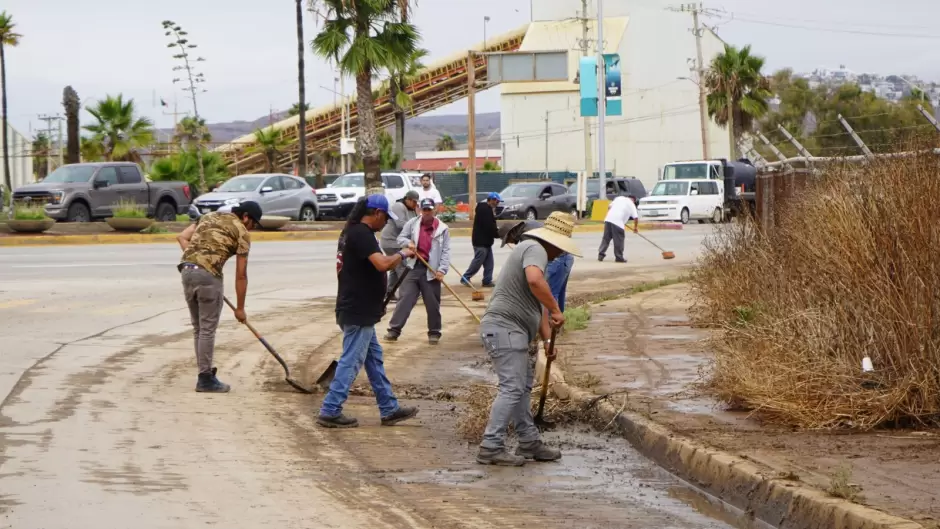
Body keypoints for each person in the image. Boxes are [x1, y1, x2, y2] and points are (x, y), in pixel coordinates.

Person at [477, 211, 582, 466]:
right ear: (554, 242)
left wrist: (547, 342)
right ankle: (491, 446)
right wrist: (557, 309)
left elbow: (539, 305)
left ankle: (528, 442)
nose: (560, 254)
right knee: (513, 387)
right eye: (561, 248)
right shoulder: (535, 248)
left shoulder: (534, 252)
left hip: (512, 331)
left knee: (521, 389)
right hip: (505, 329)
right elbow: (536, 283)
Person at [319, 194, 419, 429]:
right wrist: (403, 254)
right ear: (376, 213)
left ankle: (389, 408)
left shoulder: (351, 232)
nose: (385, 223)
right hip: (358, 309)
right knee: (351, 360)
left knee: (374, 360)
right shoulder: (361, 234)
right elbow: (382, 264)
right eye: (385, 218)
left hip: (359, 307)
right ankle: (330, 409)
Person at [176, 201, 263, 393]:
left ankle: (204, 372)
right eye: (253, 223)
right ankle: (205, 378)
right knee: (207, 328)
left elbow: (182, 237)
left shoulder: (209, 216)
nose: (253, 228)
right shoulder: (242, 232)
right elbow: (241, 275)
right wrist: (240, 309)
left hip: (187, 270)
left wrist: (198, 262)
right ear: (246, 216)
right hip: (207, 276)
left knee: (199, 328)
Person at [385, 198, 451, 345]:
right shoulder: (413, 223)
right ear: (420, 209)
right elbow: (400, 238)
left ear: (435, 210)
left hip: (431, 269)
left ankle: (434, 332)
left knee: (432, 302)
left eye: (429, 210)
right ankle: (394, 330)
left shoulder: (442, 228)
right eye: (424, 209)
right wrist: (408, 243)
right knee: (405, 299)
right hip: (413, 267)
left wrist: (442, 270)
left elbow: (446, 251)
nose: (427, 212)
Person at [500, 218, 574, 312]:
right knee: (559, 293)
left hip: (558, 259)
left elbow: (533, 271)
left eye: (507, 240)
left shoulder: (526, 236)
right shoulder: (528, 224)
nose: (510, 242)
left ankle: (552, 322)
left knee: (548, 294)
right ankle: (558, 321)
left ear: (510, 234)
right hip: (566, 258)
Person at [380, 190, 420, 299]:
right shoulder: (399, 206)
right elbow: (400, 224)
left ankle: (389, 292)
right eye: (414, 202)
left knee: (394, 267)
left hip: (397, 242)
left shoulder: (411, 210)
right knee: (401, 267)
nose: (415, 205)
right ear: (408, 199)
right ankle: (407, 293)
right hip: (390, 241)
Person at [461, 192, 501, 288]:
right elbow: (489, 226)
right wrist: (498, 234)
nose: (498, 203)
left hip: (486, 241)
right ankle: (465, 277)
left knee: (489, 263)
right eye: (497, 201)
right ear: (492, 200)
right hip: (480, 242)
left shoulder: (487, 209)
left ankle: (487, 280)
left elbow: (490, 226)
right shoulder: (485, 210)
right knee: (478, 261)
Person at [598, 195, 638, 263]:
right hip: (618, 222)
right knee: (619, 240)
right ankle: (619, 257)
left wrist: (614, 215)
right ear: (633, 200)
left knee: (606, 238)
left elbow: (609, 207)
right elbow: (636, 218)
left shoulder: (619, 198)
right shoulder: (631, 204)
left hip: (608, 219)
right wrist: (635, 228)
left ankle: (601, 254)